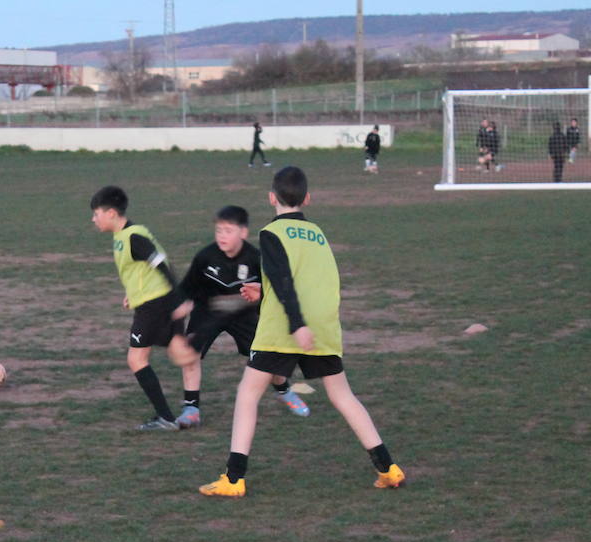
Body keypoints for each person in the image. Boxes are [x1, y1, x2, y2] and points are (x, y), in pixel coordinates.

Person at [199, 166, 404, 497]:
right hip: (323, 326)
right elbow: (309, 282)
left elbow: (284, 280)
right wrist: (265, 294)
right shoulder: (319, 234)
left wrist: (296, 324)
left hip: (286, 328)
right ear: (307, 198)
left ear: (271, 198)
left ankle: (234, 479)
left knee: (248, 393)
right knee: (342, 395)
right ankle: (389, 469)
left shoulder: (270, 233)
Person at [170, 204, 311, 429]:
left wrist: (260, 297)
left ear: (243, 232)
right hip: (208, 311)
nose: (222, 236)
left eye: (228, 230)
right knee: (190, 353)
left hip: (243, 313)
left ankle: (284, 391)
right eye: (219, 230)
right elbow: (186, 288)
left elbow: (272, 291)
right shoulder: (205, 256)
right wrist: (180, 305)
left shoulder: (255, 258)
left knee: (267, 357)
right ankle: (191, 409)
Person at [90, 184, 196, 431]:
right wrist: (133, 293)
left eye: (96, 213)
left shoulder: (133, 237)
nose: (93, 219)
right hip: (154, 300)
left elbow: (160, 263)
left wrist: (179, 297)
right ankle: (189, 407)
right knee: (180, 351)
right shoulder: (127, 234)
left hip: (155, 304)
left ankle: (166, 418)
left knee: (137, 358)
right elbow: (140, 268)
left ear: (112, 214)